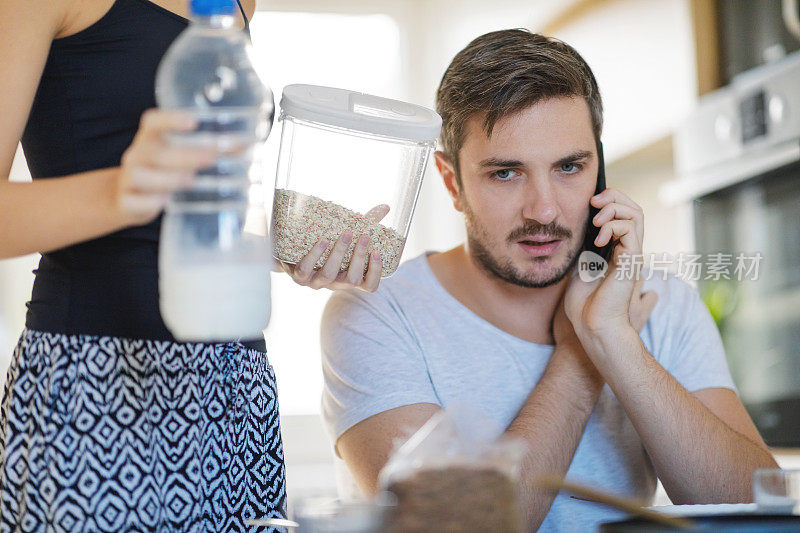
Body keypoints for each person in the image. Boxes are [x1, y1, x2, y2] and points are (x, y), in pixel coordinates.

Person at [320, 29, 778, 531]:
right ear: (452, 181)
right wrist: (582, 355)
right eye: (505, 173)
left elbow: (758, 513)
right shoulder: (376, 314)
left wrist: (613, 337)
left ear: (598, 168)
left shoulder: (659, 302)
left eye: (569, 167)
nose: (544, 210)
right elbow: (455, 529)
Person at [0, 0, 382, 530]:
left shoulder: (239, 5)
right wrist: (121, 190)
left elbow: (199, 203)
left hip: (232, 383)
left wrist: (295, 241)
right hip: (97, 380)